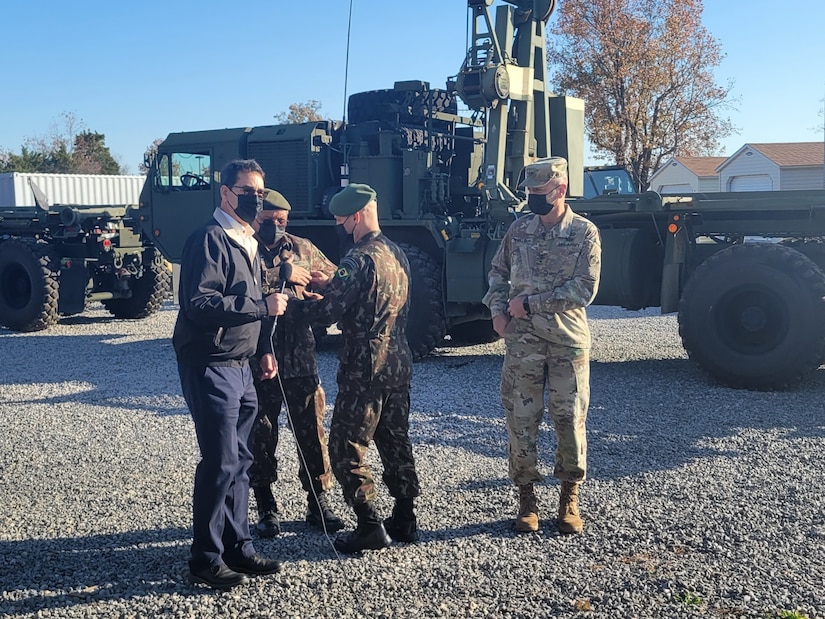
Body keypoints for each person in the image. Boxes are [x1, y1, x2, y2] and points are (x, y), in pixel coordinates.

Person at [173, 159, 288, 590]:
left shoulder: (249, 241)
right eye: (247, 191)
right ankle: (204, 558)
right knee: (220, 462)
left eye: (260, 192)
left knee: (242, 462)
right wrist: (262, 308)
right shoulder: (209, 240)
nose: (255, 199)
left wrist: (263, 350)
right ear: (225, 193)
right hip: (210, 364)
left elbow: (253, 299)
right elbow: (200, 305)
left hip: (242, 366)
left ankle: (239, 548)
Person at [288, 183, 420, 554]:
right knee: (395, 441)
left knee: (345, 447)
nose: (340, 225)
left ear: (356, 215)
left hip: (364, 366)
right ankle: (405, 517)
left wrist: (294, 305)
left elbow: (328, 312)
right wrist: (332, 288)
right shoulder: (396, 253)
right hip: (398, 361)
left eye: (341, 219)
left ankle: (369, 524)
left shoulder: (357, 260)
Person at [482, 156, 601, 535]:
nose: (533, 198)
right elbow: (497, 273)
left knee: (569, 421)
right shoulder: (519, 230)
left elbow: (584, 288)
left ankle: (569, 499)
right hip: (522, 344)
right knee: (521, 421)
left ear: (560, 190)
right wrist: (498, 312)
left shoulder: (584, 233)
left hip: (567, 343)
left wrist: (531, 304)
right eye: (530, 192)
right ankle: (527, 500)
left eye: (540, 192)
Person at [248, 189, 344, 536]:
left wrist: (321, 287)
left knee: (312, 434)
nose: (275, 227)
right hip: (259, 360)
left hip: (301, 359)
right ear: (256, 217)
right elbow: (240, 294)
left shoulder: (302, 248)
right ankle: (265, 505)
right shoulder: (244, 249)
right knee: (260, 432)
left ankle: (319, 503)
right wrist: (281, 276)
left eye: (281, 221)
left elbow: (335, 278)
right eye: (268, 220)